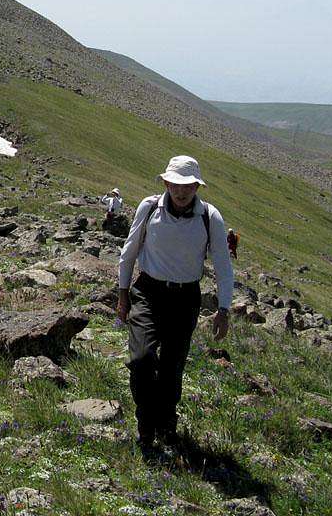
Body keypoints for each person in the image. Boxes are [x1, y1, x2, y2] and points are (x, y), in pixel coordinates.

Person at [116, 155, 233, 457]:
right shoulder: (149, 207)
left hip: (185, 298)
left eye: (189, 186)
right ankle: (146, 425)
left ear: (197, 186)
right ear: (166, 182)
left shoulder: (210, 216)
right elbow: (129, 251)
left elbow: (222, 263)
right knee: (141, 359)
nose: (182, 192)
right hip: (148, 292)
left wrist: (224, 308)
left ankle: (166, 422)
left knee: (172, 367)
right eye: (176, 185)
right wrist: (123, 293)